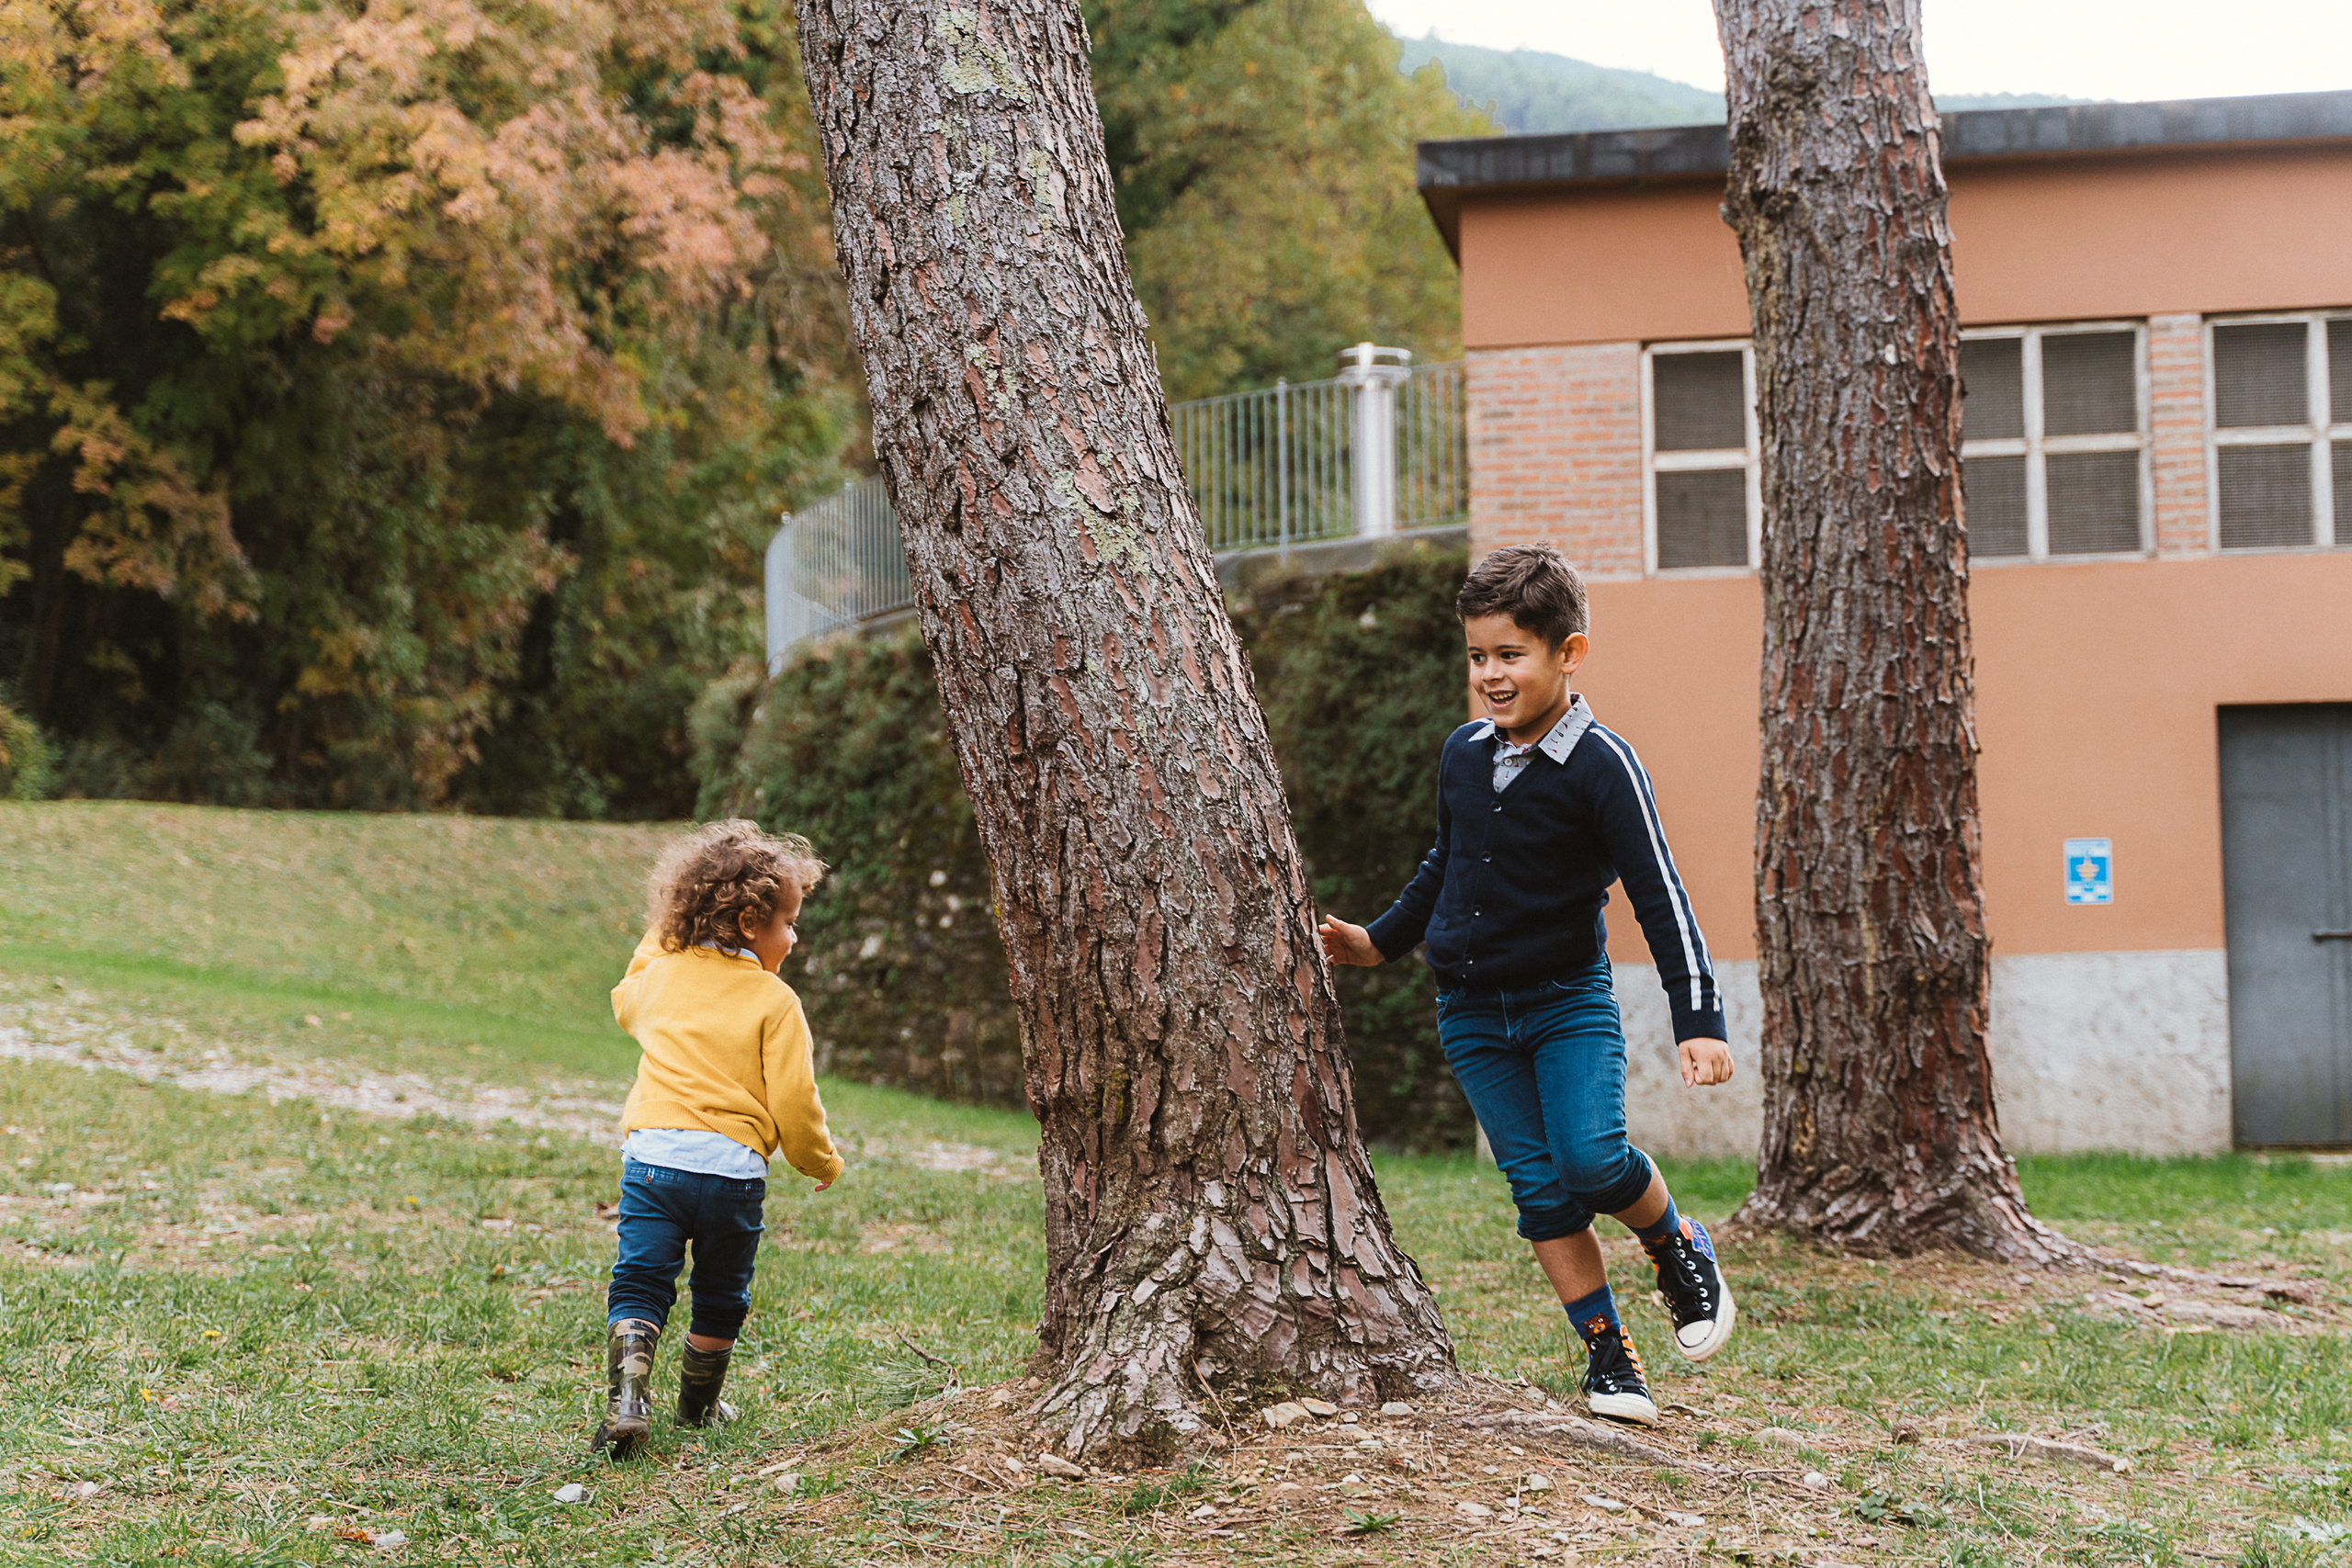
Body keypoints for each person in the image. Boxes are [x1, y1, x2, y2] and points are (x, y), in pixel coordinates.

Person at [1318, 544, 1736, 1427]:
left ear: (1567, 653)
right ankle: (1609, 1355)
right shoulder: (1463, 754)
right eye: (1478, 655)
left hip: (1565, 1001)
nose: (1491, 675)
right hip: (1469, 1012)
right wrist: (1378, 942)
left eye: (1511, 655)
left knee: (1590, 1160)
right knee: (1540, 1191)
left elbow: (1661, 893)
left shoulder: (1603, 766)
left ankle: (1675, 1243)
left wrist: (1699, 1018)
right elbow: (1446, 862)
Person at [593, 819, 845, 1458]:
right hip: (730, 1174)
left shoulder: (661, 979)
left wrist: (669, 929)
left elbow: (626, 994)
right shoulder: (774, 1000)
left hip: (652, 1164)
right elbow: (794, 1100)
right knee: (721, 1294)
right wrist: (820, 1158)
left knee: (641, 1282)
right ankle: (698, 1405)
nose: (793, 935)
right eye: (788, 921)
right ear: (750, 922)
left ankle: (628, 1399)